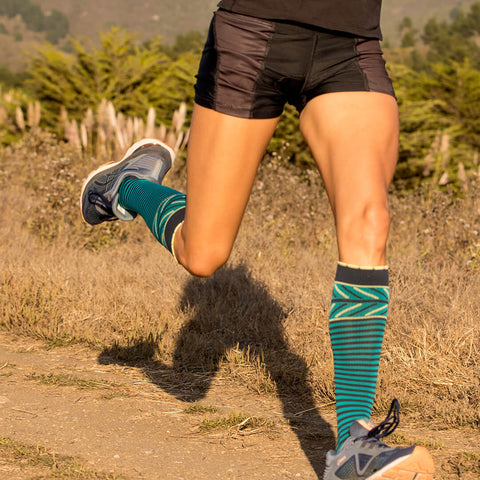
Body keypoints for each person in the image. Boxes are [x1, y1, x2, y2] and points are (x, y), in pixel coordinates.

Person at [80, 2, 436, 479]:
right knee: (202, 253)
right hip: (253, 34)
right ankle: (127, 186)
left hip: (348, 43)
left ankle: (354, 445)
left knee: (371, 220)